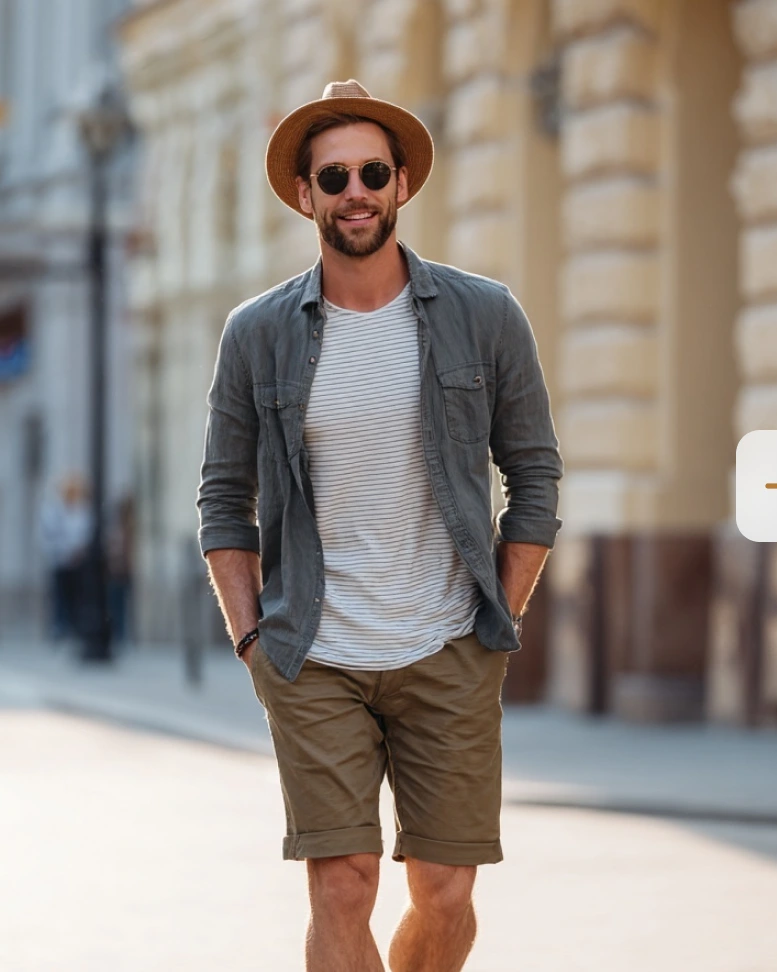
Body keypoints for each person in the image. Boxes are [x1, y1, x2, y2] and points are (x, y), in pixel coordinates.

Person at [198, 80, 562, 972]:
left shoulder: (485, 316)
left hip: (448, 644)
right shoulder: (257, 334)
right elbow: (222, 499)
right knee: (343, 883)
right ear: (304, 195)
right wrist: (252, 638)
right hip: (314, 650)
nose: (353, 191)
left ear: (402, 183)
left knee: (444, 895)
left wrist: (496, 620)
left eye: (371, 172)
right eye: (333, 177)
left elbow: (536, 474)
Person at [40, 474, 93, 642]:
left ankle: (75, 625)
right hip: (60, 561)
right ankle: (60, 626)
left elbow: (86, 533)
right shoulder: (54, 511)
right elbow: (47, 535)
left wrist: (80, 551)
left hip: (78, 562)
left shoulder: (82, 511)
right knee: (60, 596)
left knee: (76, 596)